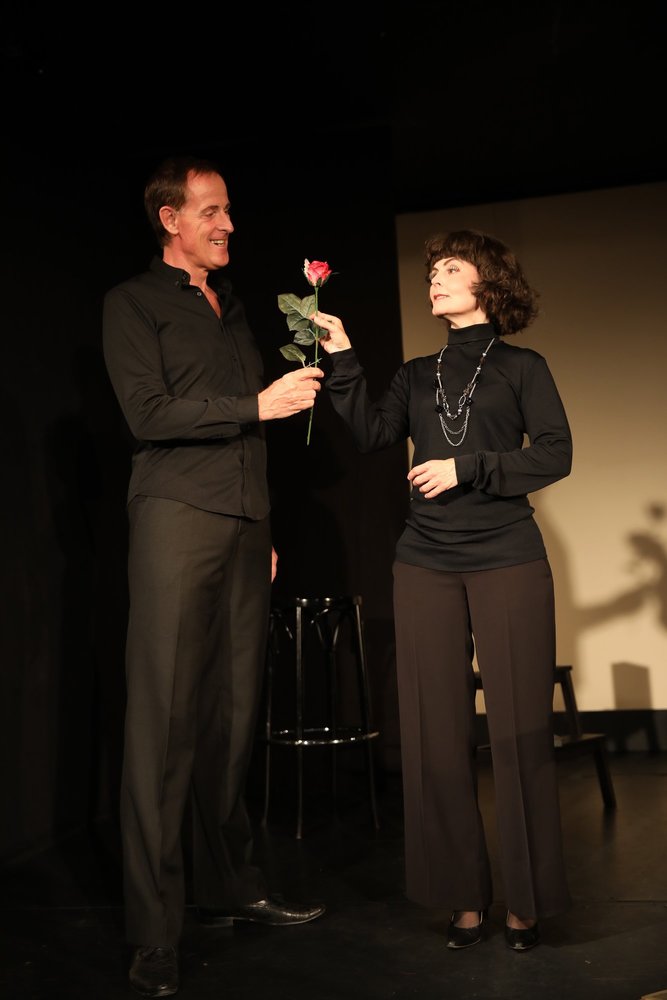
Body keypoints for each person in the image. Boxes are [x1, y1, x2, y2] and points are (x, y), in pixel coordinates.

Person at [102, 154, 326, 998]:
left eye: (228, 210)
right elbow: (148, 413)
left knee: (232, 717)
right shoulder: (132, 303)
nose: (227, 224)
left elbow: (249, 436)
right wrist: (254, 405)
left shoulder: (230, 306)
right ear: (171, 219)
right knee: (164, 720)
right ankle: (153, 931)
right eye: (211, 211)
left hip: (240, 527)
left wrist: (257, 522)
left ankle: (231, 886)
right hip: (175, 517)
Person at [312, 229, 572, 952]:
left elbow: (556, 453)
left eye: (450, 268)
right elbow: (371, 434)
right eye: (432, 269)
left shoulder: (522, 366)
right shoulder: (415, 373)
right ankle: (463, 896)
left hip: (506, 556)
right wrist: (341, 355)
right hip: (424, 558)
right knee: (434, 730)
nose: (435, 277)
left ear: (487, 282)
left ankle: (525, 902)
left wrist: (469, 467)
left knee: (518, 729)